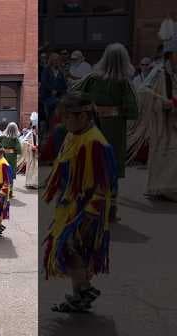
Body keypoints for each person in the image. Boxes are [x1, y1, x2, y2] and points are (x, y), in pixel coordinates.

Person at [43, 92, 117, 313]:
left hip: (87, 207)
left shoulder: (95, 142)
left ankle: (83, 292)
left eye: (67, 117)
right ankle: (81, 292)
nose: (64, 122)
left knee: (71, 246)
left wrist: (92, 212)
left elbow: (106, 182)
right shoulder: (74, 135)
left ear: (83, 116)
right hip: (71, 202)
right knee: (71, 249)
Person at [72, 43, 138, 220]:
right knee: (111, 167)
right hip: (114, 129)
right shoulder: (123, 82)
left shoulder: (93, 78)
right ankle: (110, 209)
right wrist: (116, 110)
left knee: (92, 164)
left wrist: (92, 106)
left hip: (92, 126)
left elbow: (74, 93)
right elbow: (132, 110)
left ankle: (90, 206)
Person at [138, 36, 177, 201]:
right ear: (170, 54)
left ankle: (170, 187)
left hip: (174, 118)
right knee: (163, 152)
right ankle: (158, 187)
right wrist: (162, 101)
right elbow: (143, 90)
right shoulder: (158, 71)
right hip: (162, 120)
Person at [40, 53, 67, 127]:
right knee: (50, 112)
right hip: (47, 96)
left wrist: (59, 91)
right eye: (55, 60)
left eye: (58, 60)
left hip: (58, 96)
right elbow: (44, 82)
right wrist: (51, 90)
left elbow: (64, 85)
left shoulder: (60, 72)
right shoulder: (46, 70)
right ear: (51, 61)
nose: (56, 62)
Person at [0, 122, 21, 198]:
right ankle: (9, 192)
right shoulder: (15, 139)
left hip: (2, 156)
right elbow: (19, 149)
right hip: (12, 158)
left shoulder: (2, 137)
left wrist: (1, 149)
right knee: (10, 175)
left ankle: (0, 191)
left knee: (2, 173)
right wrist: (13, 151)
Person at [22, 124, 39, 189]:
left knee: (36, 168)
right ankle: (29, 183)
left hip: (36, 154)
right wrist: (31, 146)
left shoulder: (37, 135)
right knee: (30, 168)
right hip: (30, 154)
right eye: (37, 128)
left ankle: (35, 183)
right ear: (34, 128)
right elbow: (24, 142)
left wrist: (37, 146)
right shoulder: (29, 134)